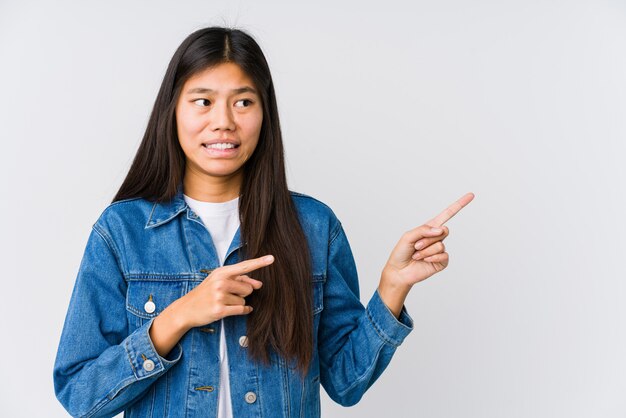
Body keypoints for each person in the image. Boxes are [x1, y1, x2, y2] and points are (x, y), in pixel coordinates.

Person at [53, 26, 474, 418]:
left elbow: (346, 383)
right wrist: (178, 316)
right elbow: (79, 394)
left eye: (243, 102)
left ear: (264, 113)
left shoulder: (313, 226)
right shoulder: (122, 231)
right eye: (203, 101)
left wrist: (392, 288)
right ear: (173, 111)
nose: (224, 121)